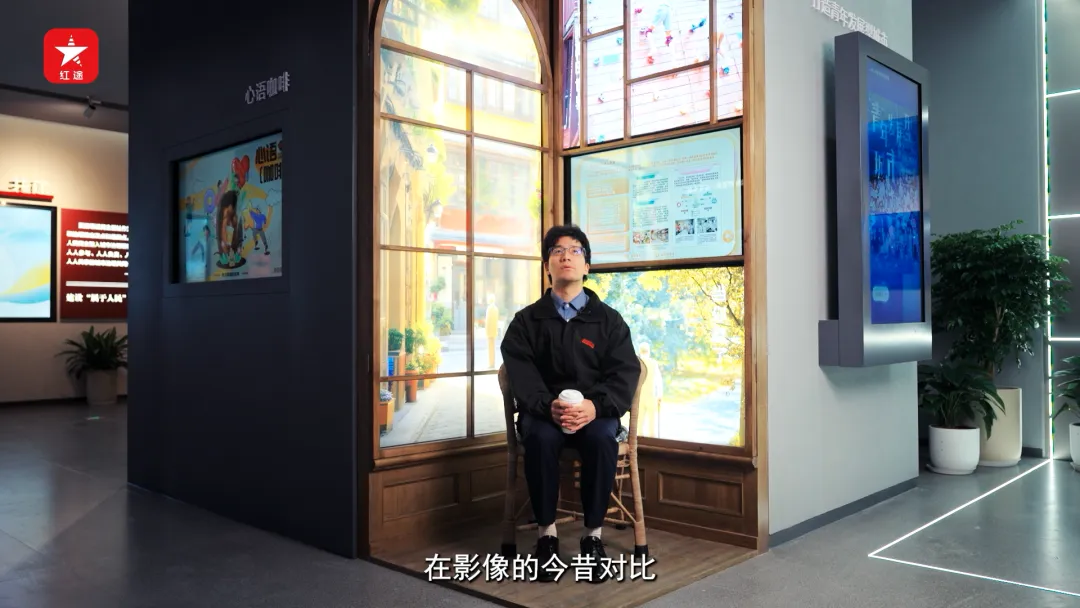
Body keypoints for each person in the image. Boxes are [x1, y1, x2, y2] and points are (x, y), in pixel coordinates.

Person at [500, 225, 641, 583]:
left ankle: (592, 537)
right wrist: (546, 405)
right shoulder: (526, 322)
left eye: (575, 250)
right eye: (557, 250)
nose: (566, 256)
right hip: (542, 413)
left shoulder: (609, 321)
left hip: (596, 413)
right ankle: (546, 536)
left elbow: (624, 373)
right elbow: (521, 374)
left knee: (601, 439)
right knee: (540, 438)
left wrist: (596, 407)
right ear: (547, 264)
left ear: (587, 266)